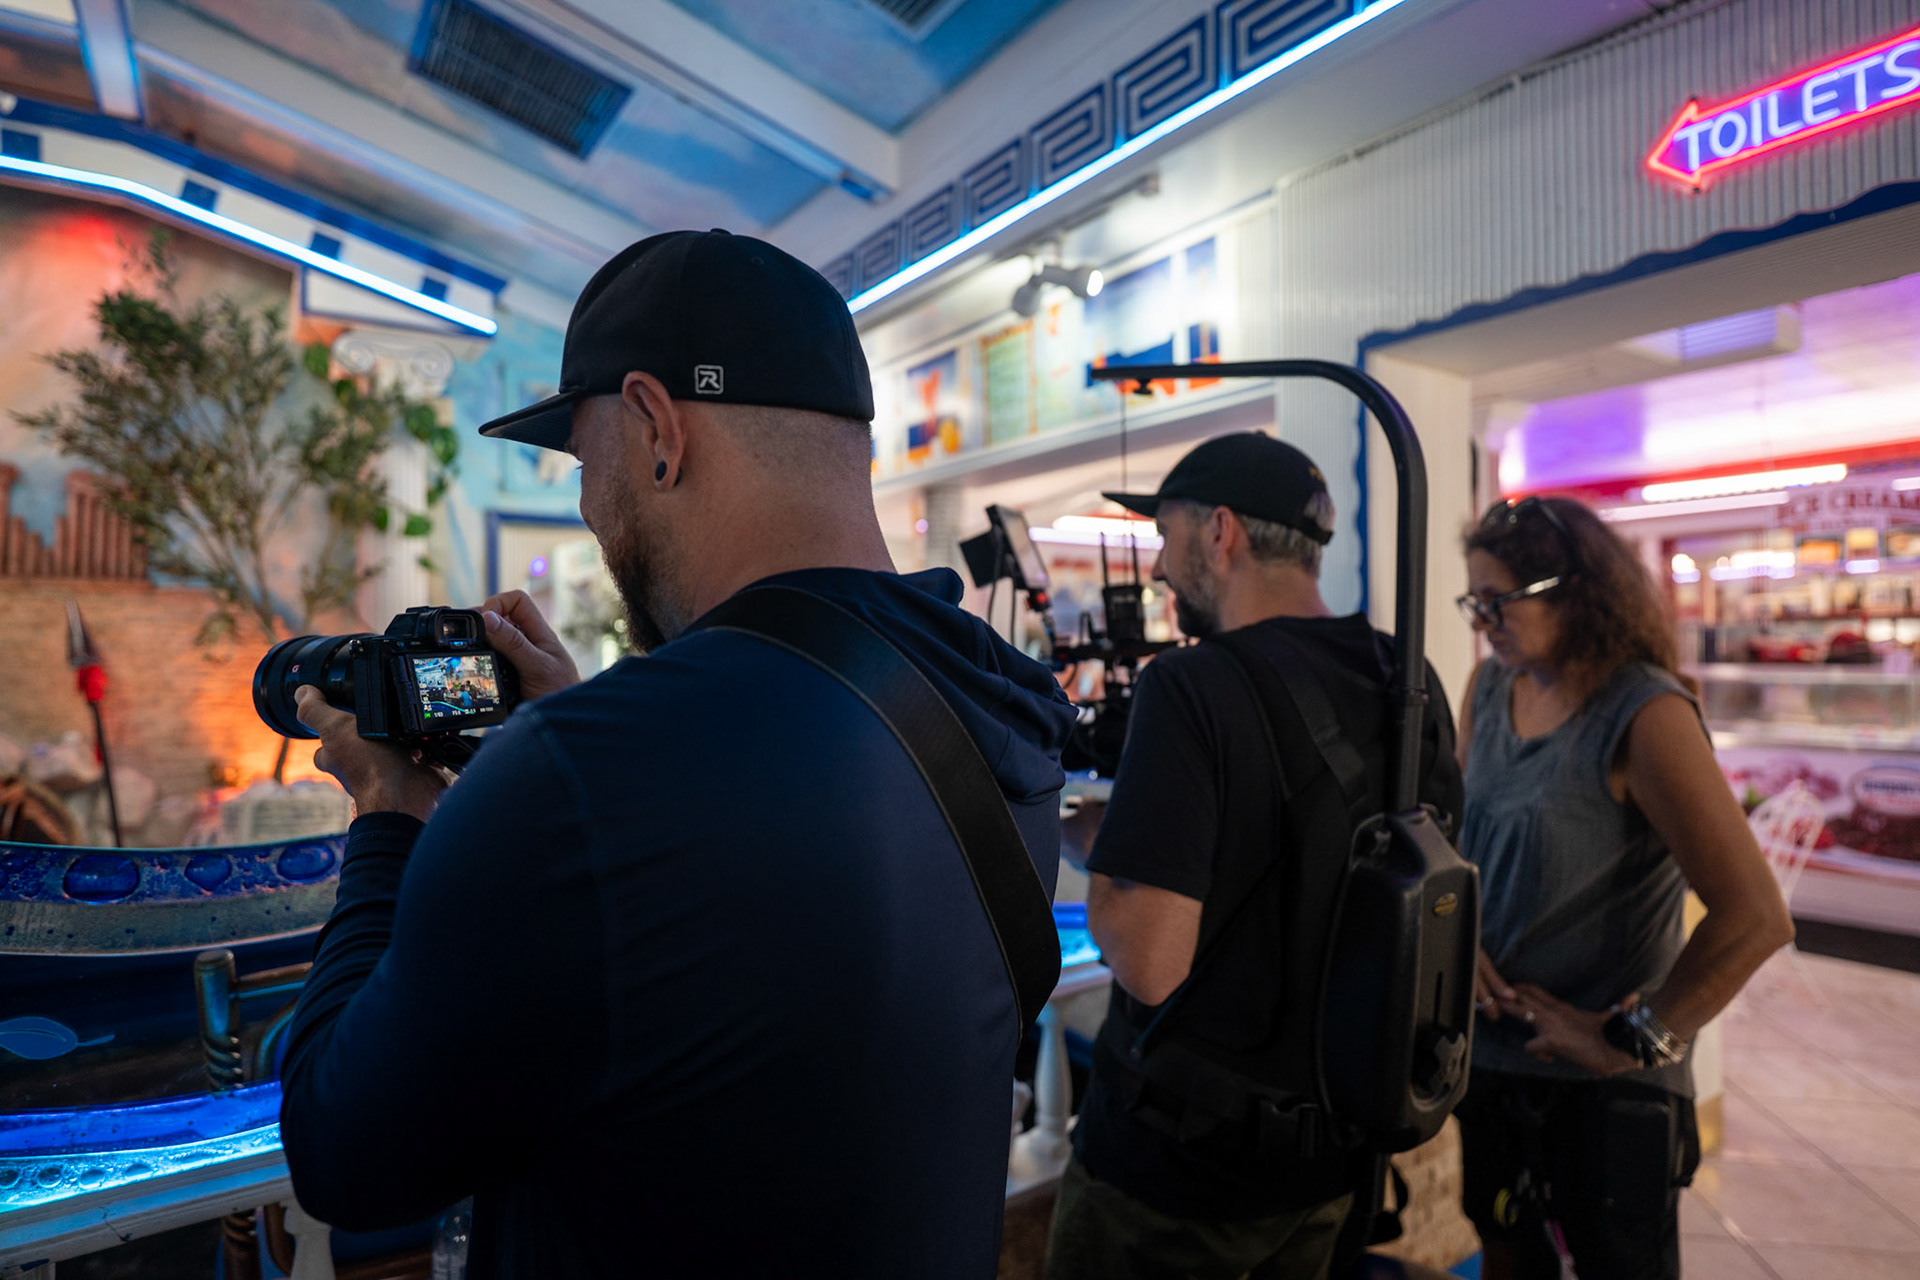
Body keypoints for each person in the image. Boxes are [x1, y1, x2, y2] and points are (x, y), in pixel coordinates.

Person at [279, 229, 1077, 1279]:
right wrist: (587, 728)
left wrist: (389, 815)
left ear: (657, 427)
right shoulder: (1003, 702)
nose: (586, 505)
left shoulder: (585, 775)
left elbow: (342, 1153)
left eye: (585, 459)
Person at [1046, 433, 1464, 1280]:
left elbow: (1151, 962)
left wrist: (1098, 854)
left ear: (1220, 531)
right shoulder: (1405, 675)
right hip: (1332, 1157)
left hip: (1179, 1183)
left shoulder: (1192, 684)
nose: (1159, 569)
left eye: (1166, 536)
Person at [1454, 496, 1794, 1280]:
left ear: (1576, 592)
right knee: (1508, 1255)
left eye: (1500, 601)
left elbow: (1755, 916)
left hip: (1605, 1099)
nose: (1484, 622)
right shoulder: (1489, 690)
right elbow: (1460, 842)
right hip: (1496, 1064)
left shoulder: (1644, 711)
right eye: (1475, 602)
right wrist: (1459, 940)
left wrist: (1631, 1039)